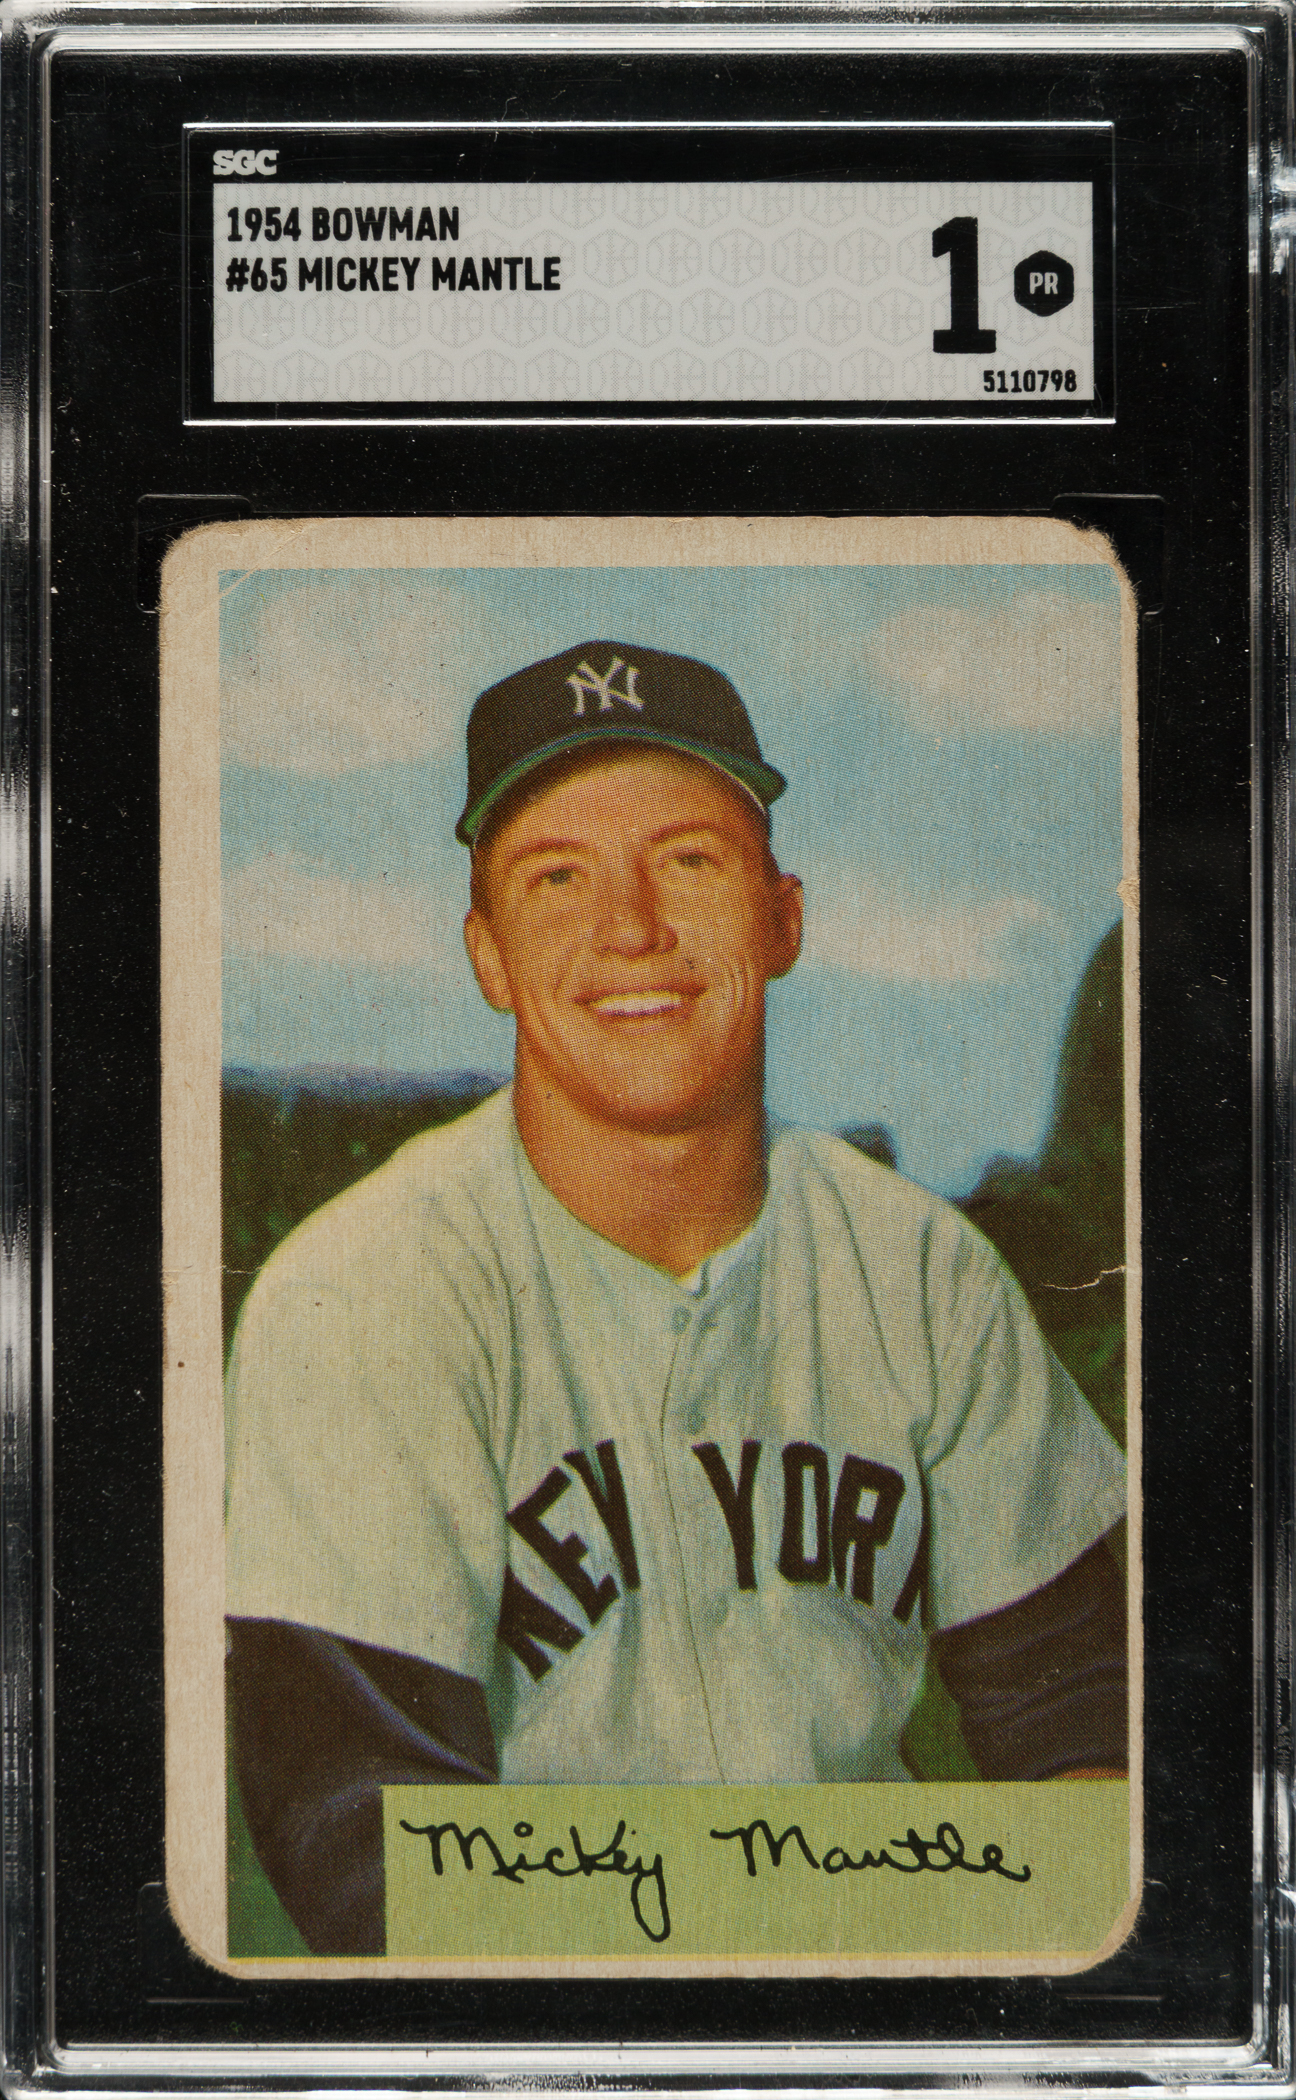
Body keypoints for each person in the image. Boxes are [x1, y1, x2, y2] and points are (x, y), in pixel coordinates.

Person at [225, 641, 1128, 1956]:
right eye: (557, 877)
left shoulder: (924, 1272)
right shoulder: (357, 1295)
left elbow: (1082, 1725)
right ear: (487, 954)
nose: (632, 928)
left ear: (784, 917)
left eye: (690, 861)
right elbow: (372, 1852)